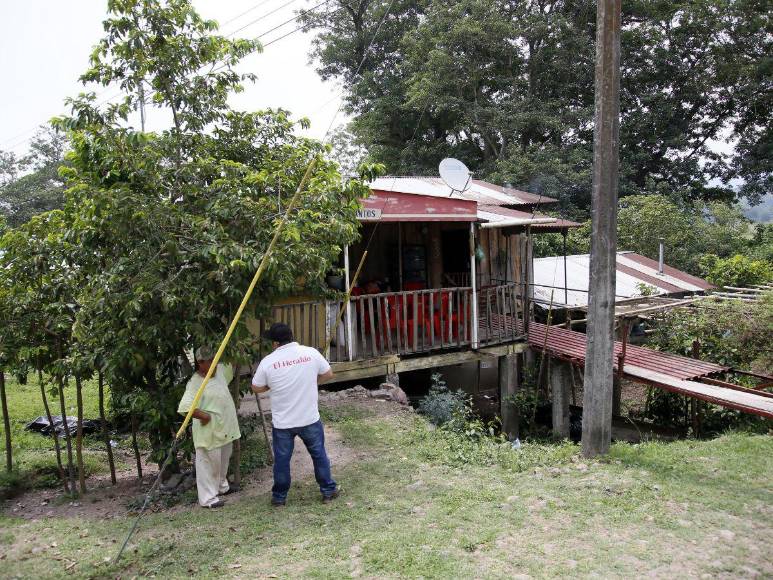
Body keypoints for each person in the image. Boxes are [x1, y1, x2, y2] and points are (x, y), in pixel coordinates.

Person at [251, 323, 339, 506]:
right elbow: (328, 374)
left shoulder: (268, 361)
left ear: (275, 343)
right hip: (309, 418)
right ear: (291, 336)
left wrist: (271, 386)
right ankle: (328, 491)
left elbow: (256, 387)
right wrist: (311, 381)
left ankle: (279, 498)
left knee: (282, 461)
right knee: (319, 455)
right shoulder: (310, 353)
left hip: (283, 423)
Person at [178, 346, 241, 509]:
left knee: (224, 459)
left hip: (226, 427)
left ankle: (222, 487)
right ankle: (208, 499)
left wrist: (238, 348)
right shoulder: (195, 382)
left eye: (215, 359)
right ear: (200, 363)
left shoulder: (220, 370)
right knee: (208, 463)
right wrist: (204, 416)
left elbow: (232, 364)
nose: (213, 363)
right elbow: (185, 407)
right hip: (209, 431)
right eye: (209, 361)